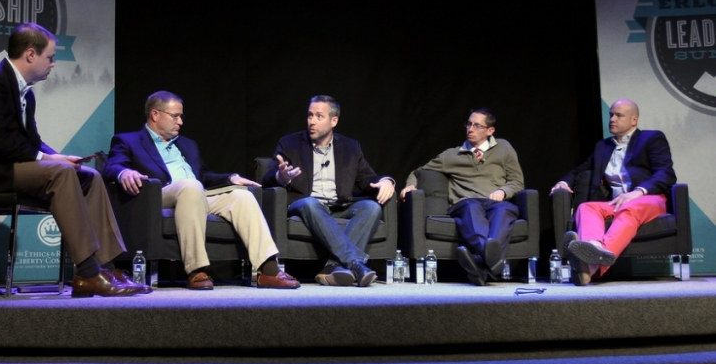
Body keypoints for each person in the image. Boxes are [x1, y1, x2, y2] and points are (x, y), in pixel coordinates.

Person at [0, 23, 146, 297]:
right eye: (50, 57)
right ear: (30, 54)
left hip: (8, 167)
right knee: (61, 174)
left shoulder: (25, 91)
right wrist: (49, 161)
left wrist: (57, 156)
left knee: (89, 176)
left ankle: (105, 268)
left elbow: (31, 141)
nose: (53, 64)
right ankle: (87, 273)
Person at [102, 91, 300, 290]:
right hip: (157, 196)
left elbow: (203, 176)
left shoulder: (187, 144)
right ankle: (196, 270)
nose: (180, 121)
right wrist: (124, 172)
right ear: (155, 114)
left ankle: (268, 269)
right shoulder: (128, 141)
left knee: (242, 196)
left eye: (181, 116)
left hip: (195, 194)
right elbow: (111, 167)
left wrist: (231, 178)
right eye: (175, 116)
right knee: (191, 186)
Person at [262, 95, 395, 287]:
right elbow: (267, 178)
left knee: (371, 207)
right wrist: (281, 177)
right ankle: (356, 263)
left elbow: (366, 178)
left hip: (338, 205)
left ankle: (333, 267)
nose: (312, 122)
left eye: (318, 116)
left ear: (334, 121)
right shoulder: (290, 144)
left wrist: (386, 181)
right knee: (311, 203)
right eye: (309, 116)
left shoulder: (350, 147)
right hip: (306, 204)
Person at [551, 99, 676, 285]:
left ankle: (592, 265)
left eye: (619, 115)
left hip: (648, 198)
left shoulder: (651, 138)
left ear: (634, 120)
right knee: (586, 207)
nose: (612, 119)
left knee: (630, 209)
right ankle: (592, 248)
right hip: (616, 201)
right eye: (611, 115)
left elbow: (666, 173)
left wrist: (639, 192)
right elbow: (580, 170)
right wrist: (562, 182)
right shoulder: (603, 147)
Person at [400, 108, 524, 286]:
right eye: (469, 124)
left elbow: (517, 181)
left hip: (495, 202)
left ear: (490, 131)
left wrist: (503, 191)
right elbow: (420, 171)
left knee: (505, 209)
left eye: (477, 125)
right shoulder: (451, 155)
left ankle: (481, 266)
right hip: (467, 203)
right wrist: (411, 184)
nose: (470, 129)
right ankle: (494, 263)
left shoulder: (504, 148)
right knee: (470, 206)